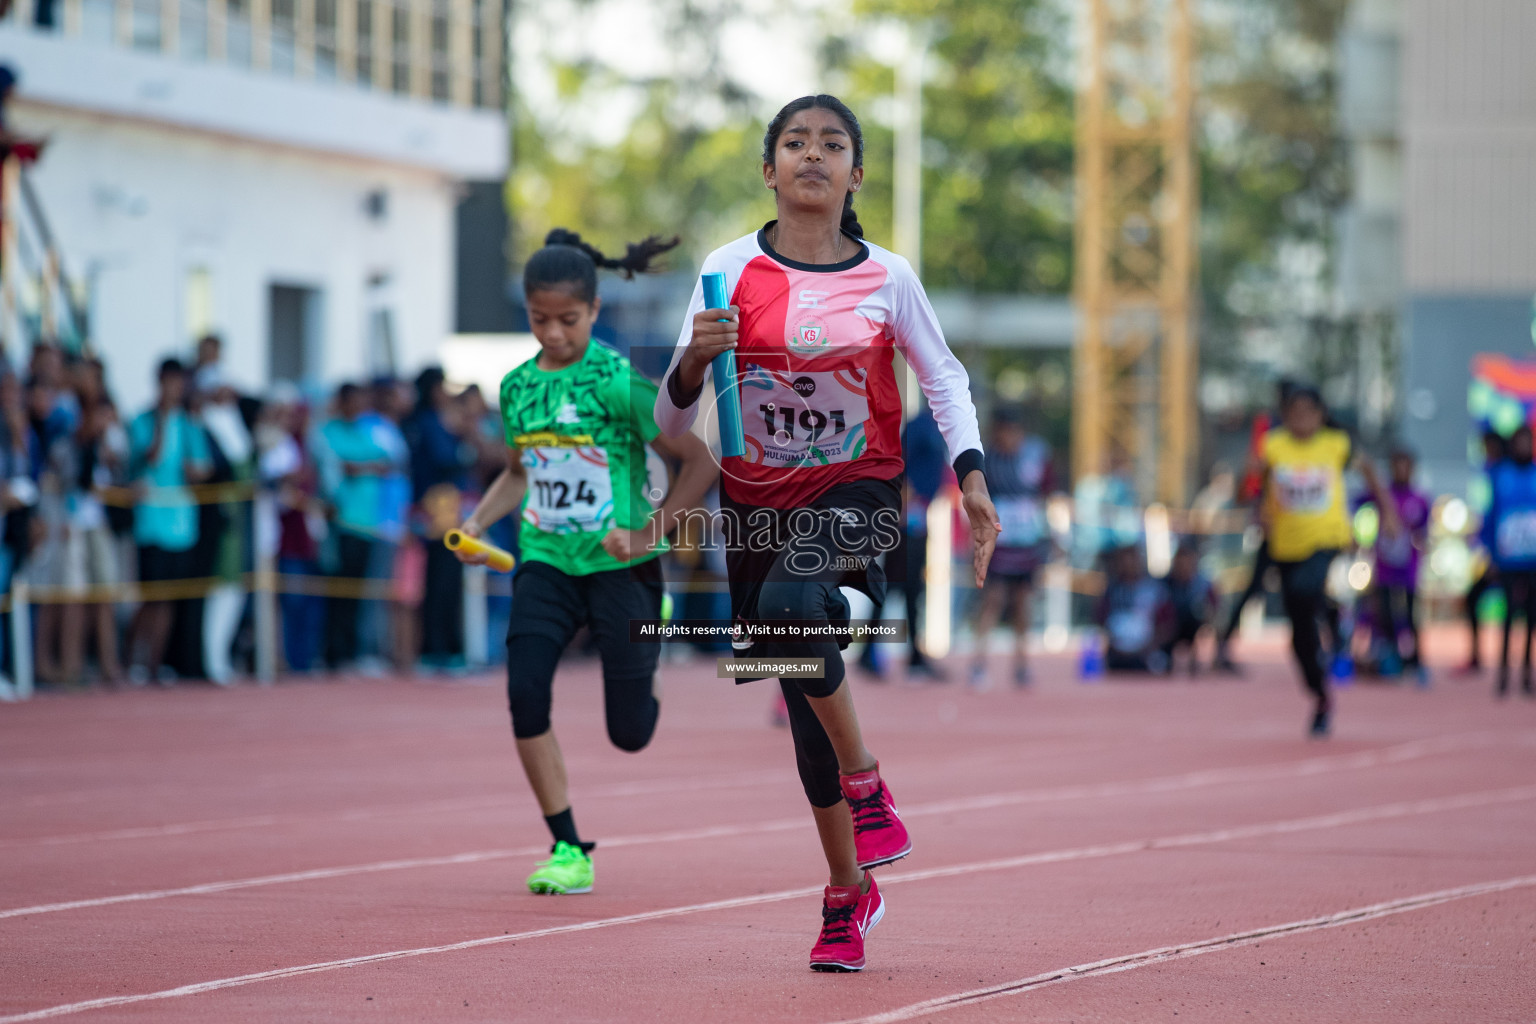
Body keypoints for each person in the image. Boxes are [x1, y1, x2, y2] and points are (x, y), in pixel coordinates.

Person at [655, 95, 999, 973]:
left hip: (860, 491)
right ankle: (848, 890)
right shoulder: (725, 270)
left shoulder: (889, 277)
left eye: (832, 144)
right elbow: (671, 414)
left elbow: (945, 378)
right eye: (795, 144)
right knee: (803, 692)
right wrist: (694, 360)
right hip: (755, 507)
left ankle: (868, 779)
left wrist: (972, 480)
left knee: (796, 601)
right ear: (768, 169)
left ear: (856, 174)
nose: (813, 156)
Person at [453, 228, 716, 897]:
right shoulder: (515, 389)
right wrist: (479, 521)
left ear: (594, 311)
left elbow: (699, 462)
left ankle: (650, 631)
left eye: (568, 321)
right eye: (540, 320)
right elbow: (519, 472)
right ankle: (568, 845)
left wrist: (651, 531)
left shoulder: (617, 383)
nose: (554, 334)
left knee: (630, 734)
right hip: (545, 559)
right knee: (524, 695)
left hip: (621, 564)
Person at [1255, 384, 1396, 736]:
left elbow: (1370, 474)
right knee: (1298, 634)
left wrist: (1388, 511)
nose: (1302, 421)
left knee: (1308, 588)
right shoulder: (1273, 446)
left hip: (1327, 538)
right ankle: (1319, 694)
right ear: (1285, 416)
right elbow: (1260, 484)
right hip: (1286, 546)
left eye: (1308, 413)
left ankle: (1334, 618)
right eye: (1294, 414)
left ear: (1321, 415)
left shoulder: (1336, 445)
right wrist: (1260, 510)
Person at [126, 358, 210, 683]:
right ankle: (132, 658)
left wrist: (196, 472)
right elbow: (148, 457)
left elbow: (200, 470)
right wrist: (162, 418)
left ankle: (154, 665)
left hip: (182, 523)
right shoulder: (143, 420)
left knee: (170, 601)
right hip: (151, 521)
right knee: (151, 598)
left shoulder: (190, 424)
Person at [970, 407, 1054, 689]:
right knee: (992, 599)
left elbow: (1047, 497)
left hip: (1027, 542)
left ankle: (1022, 665)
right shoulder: (985, 461)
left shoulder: (1036, 456)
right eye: (1006, 432)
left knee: (1023, 603)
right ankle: (979, 663)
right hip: (999, 542)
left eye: (1015, 432)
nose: (1011, 438)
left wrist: (1051, 536)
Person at [317, 383, 392, 671]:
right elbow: (342, 465)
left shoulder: (365, 430)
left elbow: (385, 462)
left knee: (359, 592)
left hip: (367, 523)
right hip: (342, 523)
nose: (359, 406)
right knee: (339, 591)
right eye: (354, 400)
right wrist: (366, 466)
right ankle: (335, 654)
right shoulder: (328, 431)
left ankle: (351, 651)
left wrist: (362, 466)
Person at [1364, 446, 1432, 684]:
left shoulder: (1420, 498)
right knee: (1384, 613)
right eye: (1397, 466)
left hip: (1409, 567)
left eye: (1406, 466)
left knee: (1411, 615)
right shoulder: (1382, 496)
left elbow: (1424, 530)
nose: (1402, 470)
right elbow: (1357, 504)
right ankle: (1392, 658)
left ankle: (1416, 661)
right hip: (1384, 567)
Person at [1482, 425, 1536, 698]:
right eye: (1520, 441)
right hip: (1507, 558)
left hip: (1533, 560)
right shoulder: (1500, 473)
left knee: (1530, 617)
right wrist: (1490, 553)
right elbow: (1491, 515)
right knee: (1508, 616)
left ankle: (1528, 672)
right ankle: (1503, 673)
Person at [1461, 430, 1505, 675]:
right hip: (1498, 555)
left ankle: (1478, 657)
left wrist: (1495, 556)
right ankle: (1476, 656)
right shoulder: (1492, 473)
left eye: (1487, 448)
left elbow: (1502, 517)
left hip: (1510, 558)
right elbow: (1491, 517)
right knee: (1472, 598)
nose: (1485, 454)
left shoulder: (1503, 475)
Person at [1097, 544, 1167, 673]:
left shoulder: (1155, 590)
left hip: (1146, 651)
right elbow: (1100, 620)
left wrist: (1149, 646)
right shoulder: (1112, 590)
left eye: (1133, 560)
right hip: (1118, 652)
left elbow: (1167, 624)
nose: (1128, 565)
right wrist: (1115, 645)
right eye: (1124, 561)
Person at [1160, 540, 1217, 675]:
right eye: (1180, 562)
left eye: (1187, 562)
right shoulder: (1164, 584)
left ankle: (1207, 658)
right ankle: (1163, 657)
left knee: (1197, 619)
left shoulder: (1203, 585)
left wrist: (1207, 617)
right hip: (1170, 626)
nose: (1183, 567)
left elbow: (1213, 608)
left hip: (1193, 624)